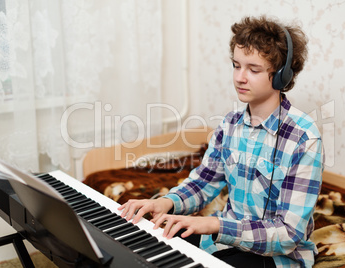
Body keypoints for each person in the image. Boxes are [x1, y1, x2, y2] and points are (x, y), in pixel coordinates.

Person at [119, 15, 324, 268]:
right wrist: (165, 202)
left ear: (282, 75)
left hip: (279, 257)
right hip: (226, 240)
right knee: (148, 247)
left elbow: (289, 234)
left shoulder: (304, 137)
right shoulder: (230, 124)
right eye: (236, 66)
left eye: (253, 69)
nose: (240, 77)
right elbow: (204, 182)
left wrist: (214, 224)